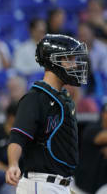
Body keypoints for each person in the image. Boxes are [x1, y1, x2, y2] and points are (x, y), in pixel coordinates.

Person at [5, 34, 89, 193]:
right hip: (41, 183)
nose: (75, 65)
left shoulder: (64, 98)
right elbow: (17, 137)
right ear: (53, 61)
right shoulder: (35, 98)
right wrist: (13, 164)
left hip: (62, 184)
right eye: (69, 59)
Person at [74, 103, 107, 193]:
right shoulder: (92, 128)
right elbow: (101, 138)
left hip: (102, 186)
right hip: (81, 188)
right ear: (103, 114)